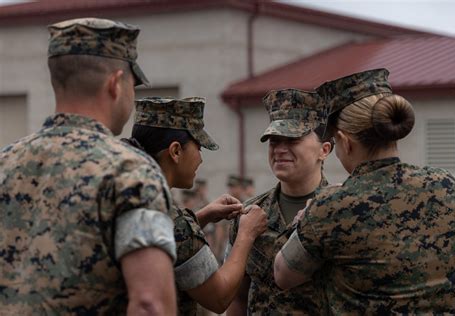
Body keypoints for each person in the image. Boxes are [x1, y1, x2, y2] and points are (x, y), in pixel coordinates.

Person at [0, 18, 177, 314]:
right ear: (115, 84)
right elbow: (150, 302)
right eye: (134, 86)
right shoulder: (131, 174)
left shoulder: (4, 164)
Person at [274, 68, 455, 314]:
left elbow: (283, 275)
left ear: (346, 142)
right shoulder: (446, 185)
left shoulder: (332, 206)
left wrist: (309, 217)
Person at [123, 96, 268, 315]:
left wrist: (200, 217)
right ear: (175, 151)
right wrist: (246, 234)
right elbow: (219, 297)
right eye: (198, 147)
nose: (200, 159)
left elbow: (160, 237)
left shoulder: (125, 192)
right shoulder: (172, 218)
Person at [227, 88, 333, 314]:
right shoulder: (249, 214)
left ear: (324, 150)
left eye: (292, 139)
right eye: (274, 141)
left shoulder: (339, 212)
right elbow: (238, 297)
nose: (280, 150)